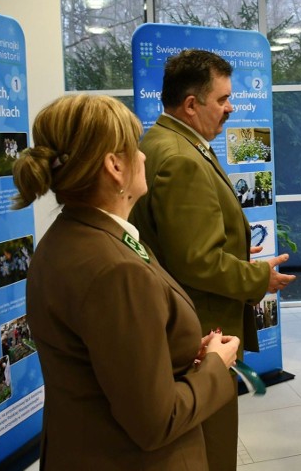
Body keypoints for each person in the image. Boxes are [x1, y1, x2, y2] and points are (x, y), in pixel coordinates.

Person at [13, 94, 241, 469]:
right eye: (134, 148)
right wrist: (215, 364)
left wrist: (178, 350)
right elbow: (157, 421)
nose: (144, 157)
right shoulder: (115, 270)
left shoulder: (68, 238)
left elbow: (105, 360)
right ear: (114, 166)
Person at [129, 49, 295, 470]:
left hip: (185, 325)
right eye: (221, 99)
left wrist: (237, 246)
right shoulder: (181, 158)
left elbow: (183, 241)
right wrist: (258, 277)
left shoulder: (169, 142)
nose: (230, 108)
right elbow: (196, 262)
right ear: (191, 104)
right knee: (211, 446)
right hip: (198, 333)